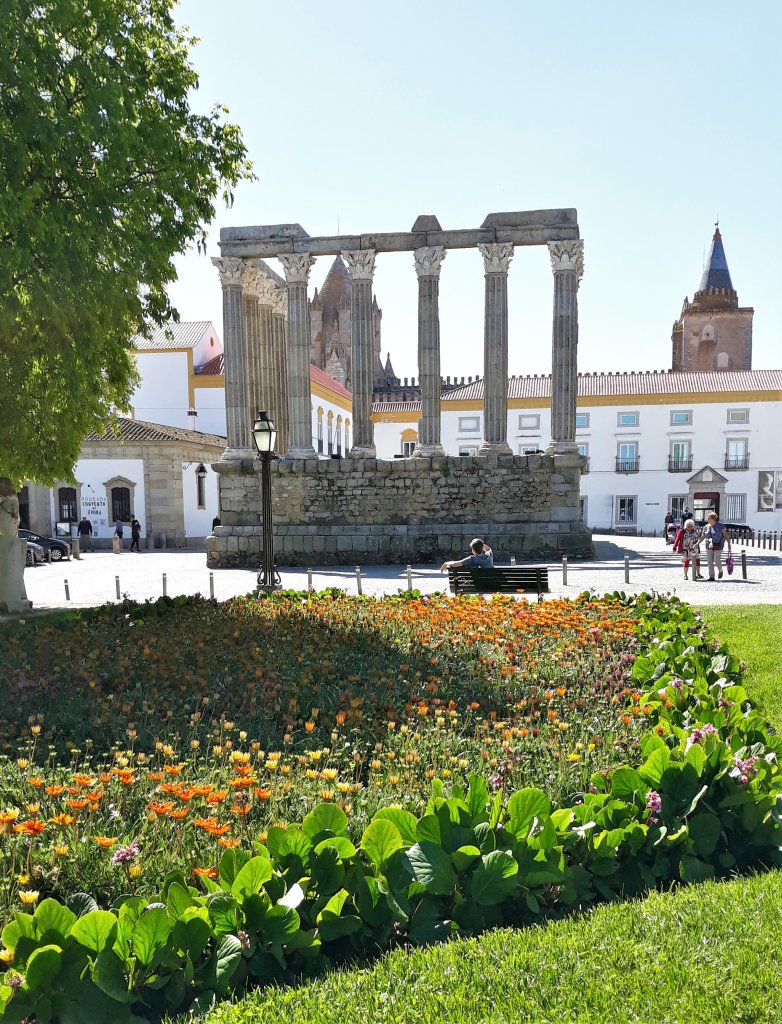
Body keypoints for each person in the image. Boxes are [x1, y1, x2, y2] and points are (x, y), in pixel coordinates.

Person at [702, 512, 731, 580]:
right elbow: (703, 536)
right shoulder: (706, 526)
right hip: (709, 545)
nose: (707, 519)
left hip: (719, 545)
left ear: (713, 518)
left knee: (716, 560)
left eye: (708, 518)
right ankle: (711, 576)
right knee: (709, 561)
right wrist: (697, 543)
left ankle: (720, 570)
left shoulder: (720, 525)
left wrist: (729, 543)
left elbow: (725, 535)